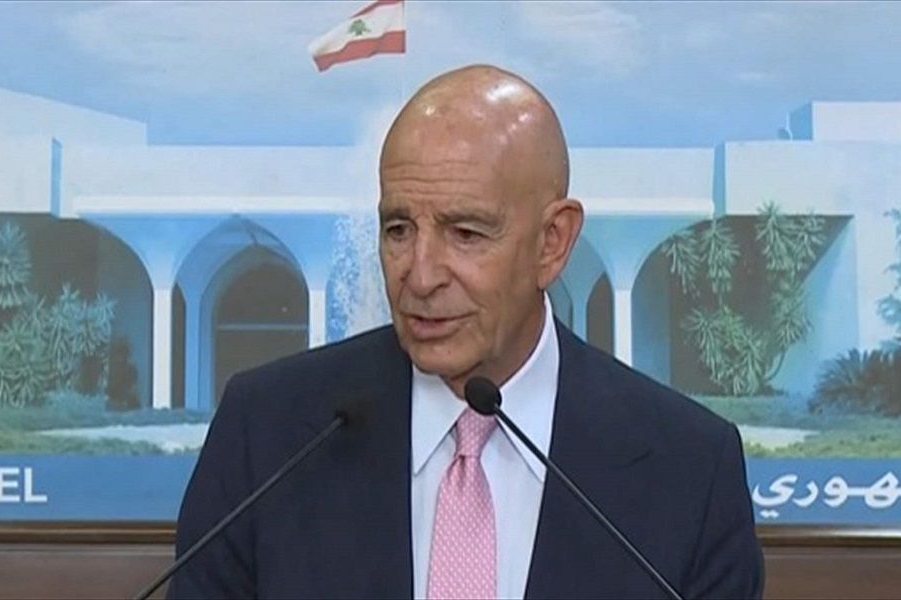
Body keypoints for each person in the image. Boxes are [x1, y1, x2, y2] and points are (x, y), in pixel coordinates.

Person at [169, 65, 764, 599]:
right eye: (399, 229)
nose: (421, 275)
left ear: (552, 243)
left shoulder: (689, 469)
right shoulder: (267, 432)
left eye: (466, 234)